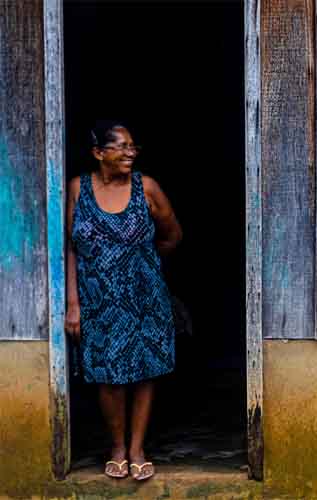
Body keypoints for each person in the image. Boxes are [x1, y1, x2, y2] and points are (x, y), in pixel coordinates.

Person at [64, 121, 182, 481]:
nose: (130, 152)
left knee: (145, 372)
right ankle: (116, 447)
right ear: (99, 153)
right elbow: (71, 247)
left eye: (133, 146)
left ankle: (136, 449)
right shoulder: (77, 189)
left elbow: (173, 235)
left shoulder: (146, 188)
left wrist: (140, 265)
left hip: (144, 298)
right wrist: (73, 303)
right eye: (121, 146)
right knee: (108, 375)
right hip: (97, 300)